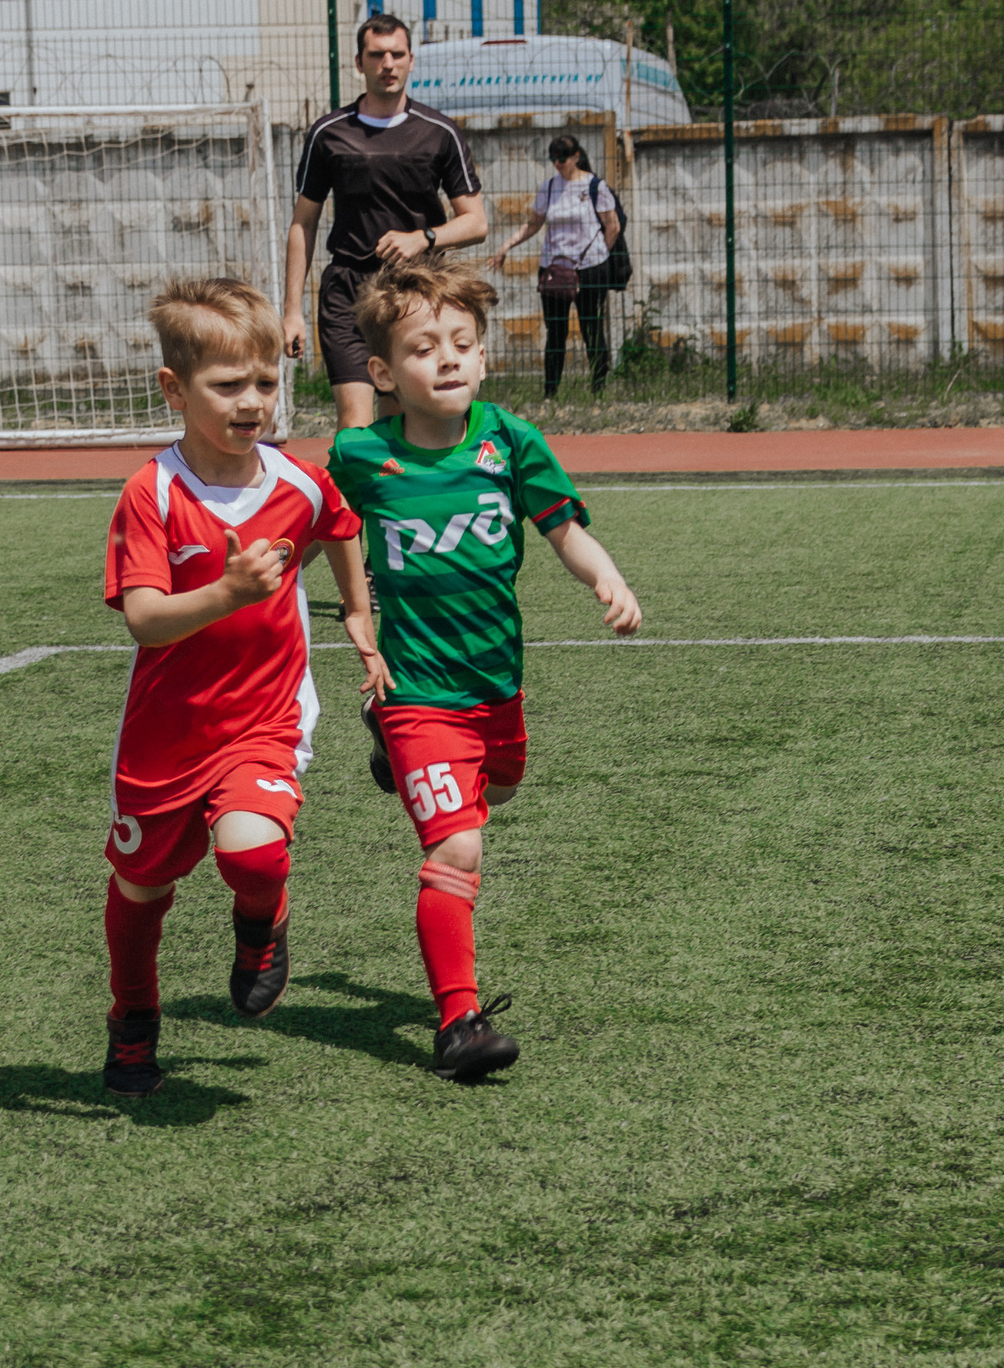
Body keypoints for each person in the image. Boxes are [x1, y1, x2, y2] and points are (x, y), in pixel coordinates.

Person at [326, 258, 643, 1081]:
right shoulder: (362, 456)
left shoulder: (510, 439)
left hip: (495, 688)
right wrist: (334, 604)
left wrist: (604, 574)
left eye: (463, 341)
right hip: (417, 691)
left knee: (499, 790)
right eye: (426, 347)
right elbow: (316, 522)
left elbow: (562, 526)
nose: (450, 358)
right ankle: (457, 1021)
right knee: (459, 845)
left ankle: (393, 756)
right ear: (385, 372)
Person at [96, 279, 370, 1098]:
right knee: (143, 886)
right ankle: (133, 1017)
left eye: (264, 382)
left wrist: (357, 613)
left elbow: (341, 523)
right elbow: (145, 620)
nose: (251, 402)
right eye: (227, 386)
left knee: (252, 848)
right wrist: (229, 592)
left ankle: (261, 923)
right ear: (175, 389)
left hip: (265, 718)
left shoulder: (297, 481)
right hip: (165, 734)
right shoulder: (153, 493)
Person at [282, 13, 487, 429]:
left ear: (412, 60)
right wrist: (291, 311)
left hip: (413, 293)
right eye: (377, 55)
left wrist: (423, 238)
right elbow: (303, 223)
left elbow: (476, 223)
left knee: (402, 422)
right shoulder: (328, 133)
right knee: (355, 424)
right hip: (348, 291)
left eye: (397, 54)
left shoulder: (439, 132)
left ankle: (399, 495)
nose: (387, 64)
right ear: (359, 63)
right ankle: (349, 495)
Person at [488, 135, 623, 399]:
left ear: (575, 156)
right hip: (554, 268)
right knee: (555, 332)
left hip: (590, 267)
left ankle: (599, 390)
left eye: (562, 158)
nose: (558, 164)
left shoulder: (595, 186)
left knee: (591, 328)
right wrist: (506, 246)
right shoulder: (549, 188)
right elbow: (533, 224)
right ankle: (550, 394)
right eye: (553, 159)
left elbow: (613, 225)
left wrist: (599, 255)